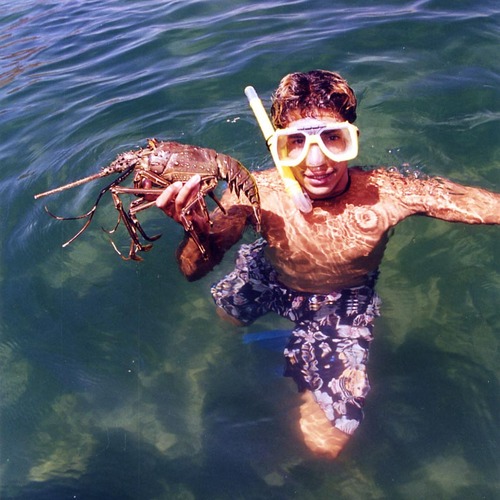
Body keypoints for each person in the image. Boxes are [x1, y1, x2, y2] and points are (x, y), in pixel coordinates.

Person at [155, 70, 500, 459]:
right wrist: (198, 231)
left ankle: (296, 379)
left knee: (325, 445)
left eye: (332, 138)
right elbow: (191, 270)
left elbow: (486, 206)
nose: (316, 161)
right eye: (296, 142)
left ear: (352, 138)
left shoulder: (388, 193)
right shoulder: (255, 192)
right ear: (277, 145)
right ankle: (285, 360)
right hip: (266, 274)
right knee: (226, 317)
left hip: (343, 302)